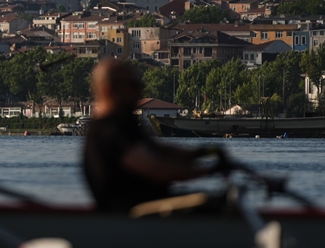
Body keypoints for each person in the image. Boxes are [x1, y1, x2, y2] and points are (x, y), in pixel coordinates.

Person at [82, 59, 221, 212]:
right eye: (134, 85)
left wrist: (202, 152)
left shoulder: (123, 124)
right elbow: (160, 170)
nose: (140, 90)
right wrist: (209, 170)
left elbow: (160, 151)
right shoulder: (109, 131)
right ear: (110, 90)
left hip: (153, 207)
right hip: (135, 213)